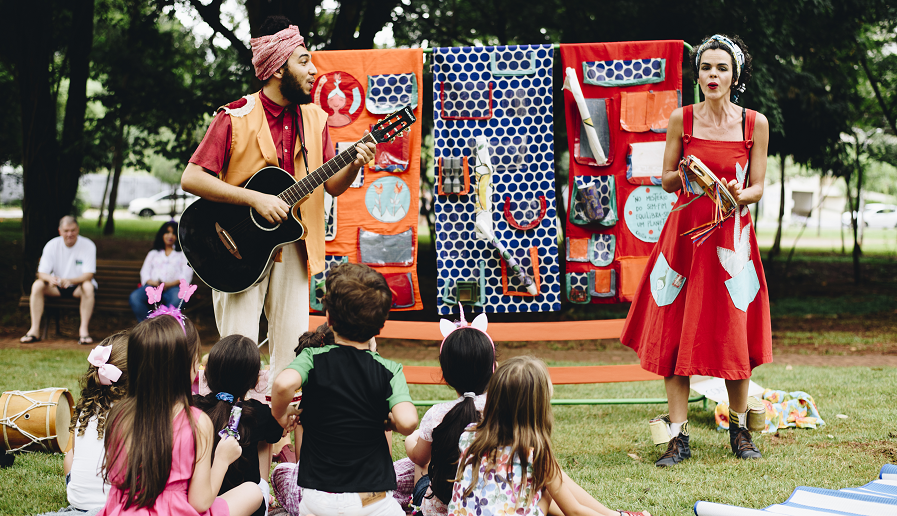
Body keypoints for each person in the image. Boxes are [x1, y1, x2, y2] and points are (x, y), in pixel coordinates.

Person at [180, 15, 376, 388]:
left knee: (292, 354)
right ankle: (231, 433)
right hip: (235, 248)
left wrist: (353, 163)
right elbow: (192, 177)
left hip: (294, 246)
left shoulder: (316, 119)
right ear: (275, 69)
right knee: (237, 350)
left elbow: (332, 186)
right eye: (303, 61)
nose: (314, 69)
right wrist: (255, 199)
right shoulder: (233, 116)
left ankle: (281, 440)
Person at [620, 34, 771, 466]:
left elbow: (759, 186)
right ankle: (677, 436)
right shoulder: (681, 119)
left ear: (735, 76)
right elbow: (666, 178)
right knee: (674, 332)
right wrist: (684, 172)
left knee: (734, 330)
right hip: (684, 237)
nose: (712, 75)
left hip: (731, 240)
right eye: (706, 67)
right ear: (698, 73)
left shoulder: (753, 123)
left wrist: (740, 193)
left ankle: (740, 431)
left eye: (722, 68)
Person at [271, 263, 418, 516]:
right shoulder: (389, 369)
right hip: (370, 499)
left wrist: (281, 414)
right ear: (381, 323)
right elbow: (408, 422)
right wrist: (390, 421)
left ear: (328, 317)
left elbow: (283, 384)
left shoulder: (311, 358)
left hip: (317, 496)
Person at [99, 313, 262, 516]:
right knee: (252, 491)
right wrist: (221, 459)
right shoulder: (196, 423)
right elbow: (200, 502)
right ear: (190, 366)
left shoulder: (119, 415)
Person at [449, 356, 649, 516]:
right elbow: (574, 510)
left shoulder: (469, 435)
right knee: (544, 491)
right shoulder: (535, 454)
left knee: (539, 488)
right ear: (538, 405)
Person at [194, 335, 286, 516]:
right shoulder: (258, 413)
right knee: (265, 437)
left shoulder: (194, 407)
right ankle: (263, 489)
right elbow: (275, 435)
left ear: (207, 373)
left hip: (200, 497)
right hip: (247, 505)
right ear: (254, 381)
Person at [63, 332, 129, 512]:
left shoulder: (87, 408)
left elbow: (74, 453)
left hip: (78, 501)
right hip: (118, 504)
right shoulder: (133, 412)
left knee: (70, 454)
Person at [21, 215, 97, 345]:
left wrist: (72, 281)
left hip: (78, 288)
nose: (70, 234)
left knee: (88, 286)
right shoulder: (52, 245)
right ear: (60, 231)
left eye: (73, 230)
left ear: (78, 229)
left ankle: (83, 332)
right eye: (66, 231)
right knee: (37, 285)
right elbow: (41, 273)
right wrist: (50, 278)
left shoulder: (88, 245)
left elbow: (89, 274)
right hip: (56, 287)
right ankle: (34, 331)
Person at [129, 221, 193, 321]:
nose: (170, 236)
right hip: (153, 287)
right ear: (162, 235)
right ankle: (147, 325)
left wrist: (168, 284)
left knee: (178, 298)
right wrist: (154, 283)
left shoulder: (182, 254)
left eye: (174, 233)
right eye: (167, 232)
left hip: (174, 288)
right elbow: (144, 272)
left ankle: (162, 325)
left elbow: (186, 275)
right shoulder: (153, 253)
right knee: (135, 297)